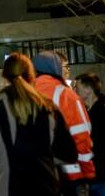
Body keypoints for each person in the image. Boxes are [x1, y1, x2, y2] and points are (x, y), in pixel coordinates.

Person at [0, 52, 78, 196]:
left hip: (10, 186)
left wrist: (4, 158)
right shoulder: (48, 106)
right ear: (32, 75)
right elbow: (69, 153)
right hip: (46, 185)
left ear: (4, 76)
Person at [34, 51, 94, 195]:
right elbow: (81, 136)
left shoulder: (24, 94)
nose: (67, 70)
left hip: (33, 175)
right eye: (65, 66)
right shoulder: (67, 96)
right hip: (69, 175)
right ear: (55, 67)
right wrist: (88, 174)